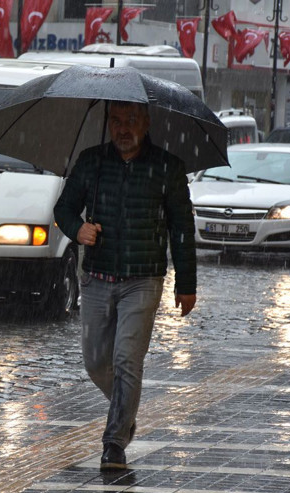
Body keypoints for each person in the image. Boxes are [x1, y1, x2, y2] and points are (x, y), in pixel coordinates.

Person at [53, 100, 197, 471]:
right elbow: (63, 209)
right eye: (116, 120)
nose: (123, 128)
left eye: (131, 120)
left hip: (143, 280)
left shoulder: (168, 168)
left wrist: (187, 282)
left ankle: (114, 442)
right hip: (97, 277)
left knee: (126, 359)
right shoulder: (91, 162)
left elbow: (182, 229)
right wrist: (77, 229)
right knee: (96, 362)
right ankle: (125, 410)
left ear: (146, 123)